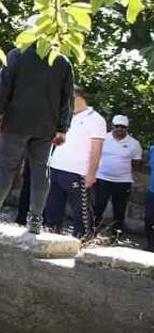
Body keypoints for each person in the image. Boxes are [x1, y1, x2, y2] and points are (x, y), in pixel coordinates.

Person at [0, 40, 75, 233]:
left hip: (16, 122)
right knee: (41, 171)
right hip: (46, 126)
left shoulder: (17, 55)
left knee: (6, 169)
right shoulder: (62, 61)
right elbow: (67, 97)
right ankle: (35, 220)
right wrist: (62, 128)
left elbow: (3, 86)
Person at [42, 87, 106, 238]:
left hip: (77, 172)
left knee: (81, 211)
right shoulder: (64, 115)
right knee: (52, 207)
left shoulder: (96, 119)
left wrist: (91, 174)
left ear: (78, 98)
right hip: (55, 167)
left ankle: (83, 240)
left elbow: (97, 150)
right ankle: (51, 235)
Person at [94, 115, 143, 238]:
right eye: (117, 126)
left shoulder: (134, 144)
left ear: (127, 128)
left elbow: (136, 163)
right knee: (98, 207)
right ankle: (92, 232)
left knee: (120, 210)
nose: (120, 129)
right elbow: (94, 154)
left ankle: (115, 236)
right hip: (102, 178)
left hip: (123, 181)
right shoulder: (103, 138)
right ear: (112, 126)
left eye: (123, 127)